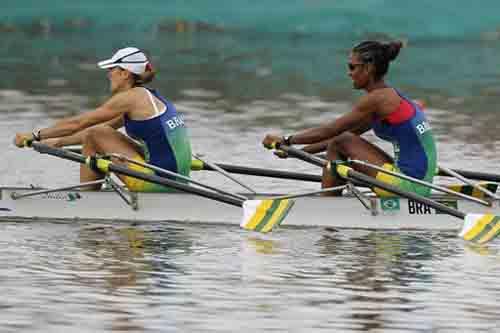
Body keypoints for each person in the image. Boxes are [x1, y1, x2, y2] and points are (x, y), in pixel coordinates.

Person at [262, 40, 437, 197]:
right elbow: (340, 136)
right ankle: (330, 204)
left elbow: (331, 131)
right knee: (341, 144)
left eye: (352, 67)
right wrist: (295, 152)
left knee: (341, 143)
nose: (349, 73)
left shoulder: (378, 99)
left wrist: (287, 140)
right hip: (416, 180)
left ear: (368, 68)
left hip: (410, 186)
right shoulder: (389, 98)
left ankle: (327, 209)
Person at [14, 46, 192, 191]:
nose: (108, 74)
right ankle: (92, 194)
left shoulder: (130, 98)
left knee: (94, 134)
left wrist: (35, 135)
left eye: (112, 69)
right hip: (177, 179)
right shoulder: (148, 97)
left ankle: (86, 199)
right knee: (98, 134)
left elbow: (80, 123)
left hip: (160, 183)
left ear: (125, 73)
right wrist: (59, 142)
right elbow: (104, 129)